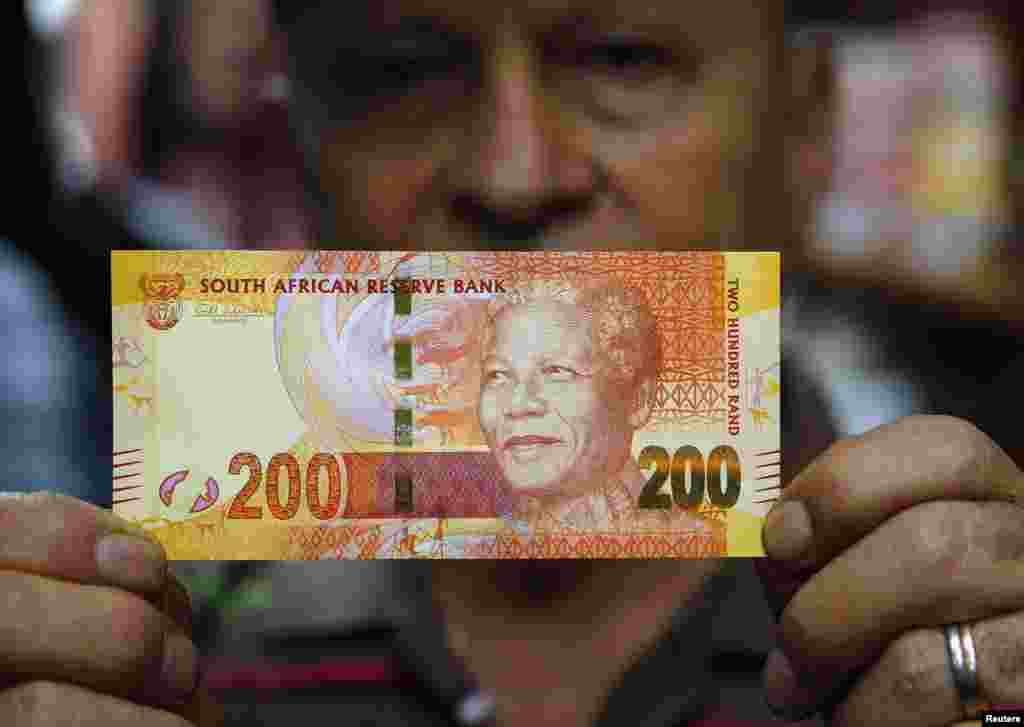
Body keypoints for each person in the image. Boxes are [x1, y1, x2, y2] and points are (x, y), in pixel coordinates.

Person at [3, 2, 1023, 727]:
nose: (513, 175)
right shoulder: (134, 638)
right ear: (299, 136)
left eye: (622, 59)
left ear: (806, 129)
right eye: (399, 68)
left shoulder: (962, 610)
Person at [479, 277, 712, 536]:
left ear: (638, 400)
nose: (517, 404)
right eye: (497, 375)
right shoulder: (486, 544)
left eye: (557, 371)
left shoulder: (701, 540)